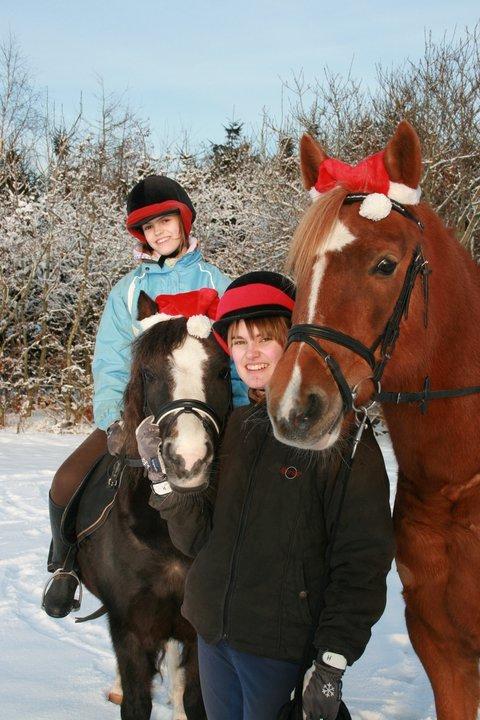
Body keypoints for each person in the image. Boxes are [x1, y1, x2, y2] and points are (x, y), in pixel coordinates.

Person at [136, 271, 395, 720]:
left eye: (263, 339)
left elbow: (362, 561)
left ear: (291, 341)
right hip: (213, 639)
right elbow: (198, 541)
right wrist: (162, 480)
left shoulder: (342, 438)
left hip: (279, 650)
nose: (250, 354)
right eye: (238, 342)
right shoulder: (238, 425)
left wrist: (332, 663)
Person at [42, 175, 247, 619]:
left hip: (210, 416)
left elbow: (237, 357)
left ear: (185, 220)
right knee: (65, 480)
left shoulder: (222, 284)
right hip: (140, 416)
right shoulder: (128, 291)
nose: (159, 232)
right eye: (148, 227)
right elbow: (112, 361)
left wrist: (242, 414)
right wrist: (114, 419)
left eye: (166, 221)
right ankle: (65, 564)